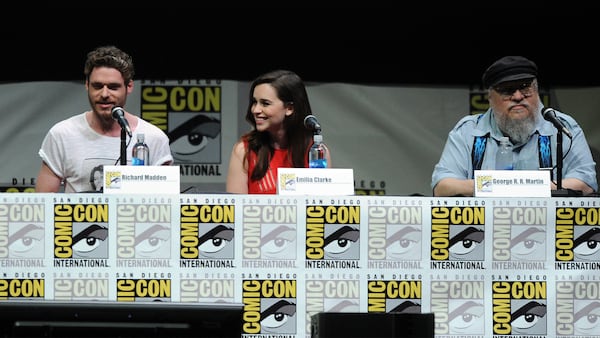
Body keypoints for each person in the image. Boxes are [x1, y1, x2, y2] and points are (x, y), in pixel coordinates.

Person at [431, 55, 597, 197]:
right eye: (507, 90)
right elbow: (443, 187)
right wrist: (502, 187)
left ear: (537, 91)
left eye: (525, 87)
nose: (518, 96)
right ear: (490, 97)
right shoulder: (468, 131)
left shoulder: (560, 126)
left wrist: (521, 187)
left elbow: (586, 183)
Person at [35, 45, 173, 193]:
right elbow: (43, 204)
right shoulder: (62, 134)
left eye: (113, 87)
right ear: (87, 85)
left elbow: (166, 208)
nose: (104, 94)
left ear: (129, 86)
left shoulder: (154, 138)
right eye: (97, 86)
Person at [226, 69, 331, 194]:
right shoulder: (244, 150)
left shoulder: (317, 152)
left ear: (289, 108)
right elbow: (236, 209)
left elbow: (323, 206)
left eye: (265, 103)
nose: (255, 110)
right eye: (255, 102)